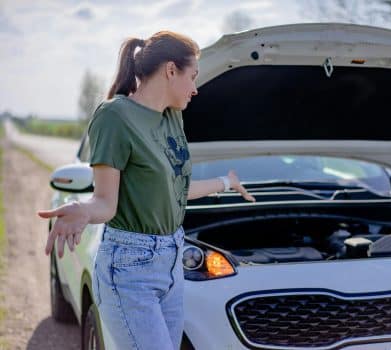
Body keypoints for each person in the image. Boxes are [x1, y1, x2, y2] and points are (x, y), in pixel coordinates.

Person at [38, 30, 255, 349]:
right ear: (170, 70)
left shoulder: (172, 118)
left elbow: (175, 190)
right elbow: (105, 203)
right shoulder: (115, 116)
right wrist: (83, 210)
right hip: (130, 267)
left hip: (172, 259)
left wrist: (226, 182)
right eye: (192, 77)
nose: (195, 89)